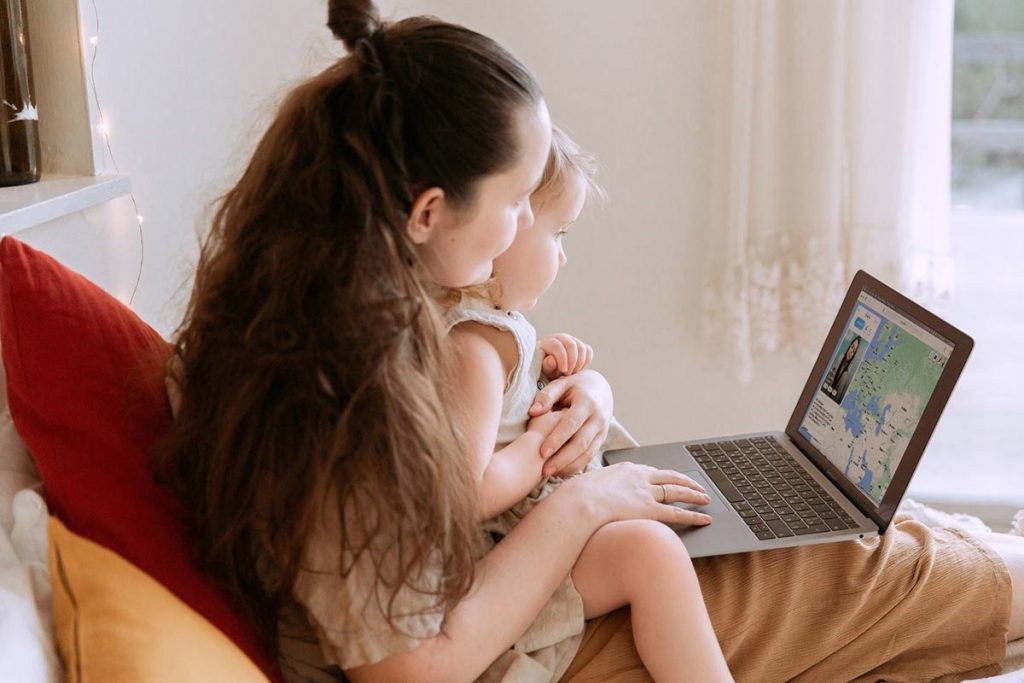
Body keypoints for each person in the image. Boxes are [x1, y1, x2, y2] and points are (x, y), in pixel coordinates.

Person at [159, 1, 1024, 681]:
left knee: (892, 530)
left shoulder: (359, 299)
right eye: (518, 199)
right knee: (892, 568)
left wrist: (586, 399)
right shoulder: (334, 405)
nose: (520, 232)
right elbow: (414, 665)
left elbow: (477, 400)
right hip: (508, 625)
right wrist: (583, 501)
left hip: (519, 562)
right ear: (427, 211)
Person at [444, 126, 732, 682]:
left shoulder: (485, 330)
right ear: (504, 228)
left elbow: (487, 415)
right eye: (559, 234)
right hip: (509, 553)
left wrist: (544, 373)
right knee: (653, 555)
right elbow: (470, 488)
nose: (563, 256)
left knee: (666, 530)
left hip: (539, 524)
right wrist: (539, 446)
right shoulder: (474, 347)